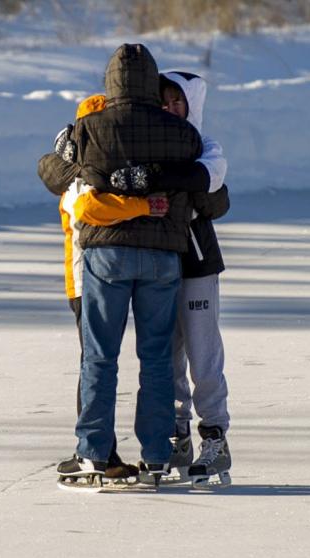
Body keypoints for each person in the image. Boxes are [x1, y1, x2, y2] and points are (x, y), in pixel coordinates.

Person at [40, 70, 232, 488]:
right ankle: (172, 435)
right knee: (168, 359)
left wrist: (158, 179)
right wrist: (73, 154)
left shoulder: (200, 146)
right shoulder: (141, 138)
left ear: (192, 106)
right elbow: (58, 175)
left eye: (178, 102)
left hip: (193, 265)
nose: (170, 109)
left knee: (201, 357)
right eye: (163, 101)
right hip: (159, 261)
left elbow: (216, 197)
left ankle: (214, 436)